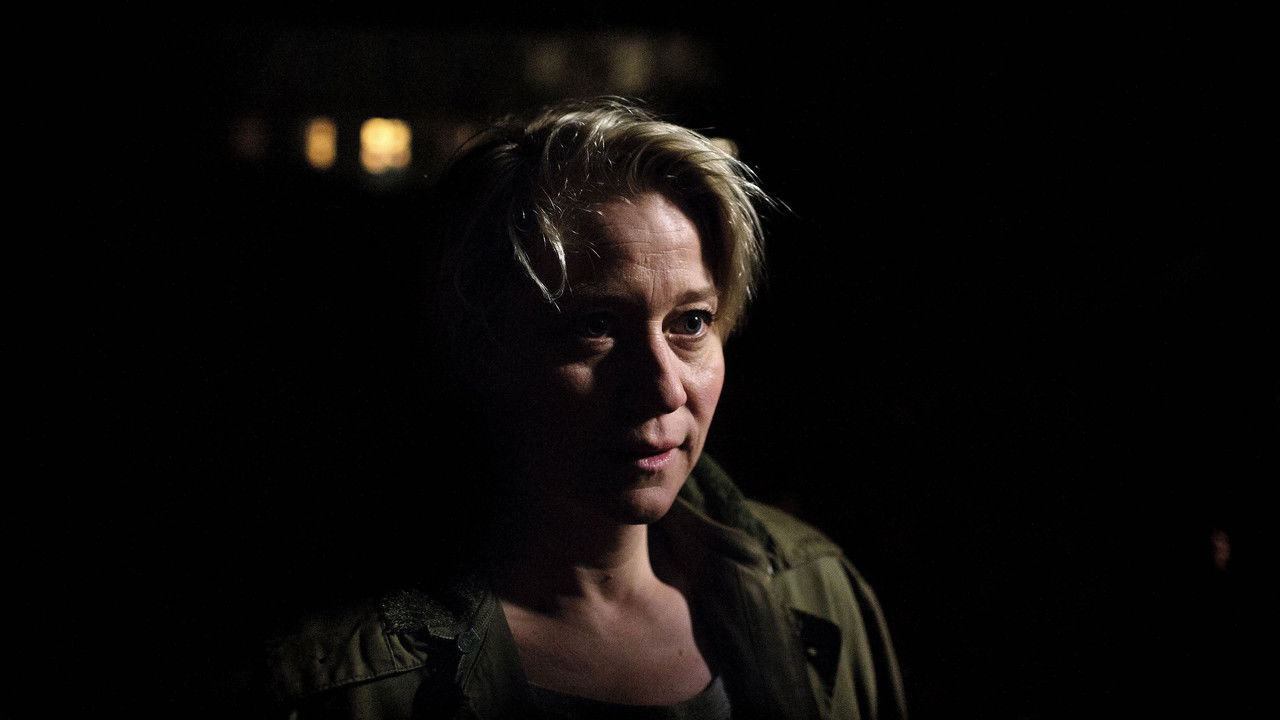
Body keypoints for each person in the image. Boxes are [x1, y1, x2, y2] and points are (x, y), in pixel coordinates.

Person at [264, 98, 906, 719]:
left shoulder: (813, 588)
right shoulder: (343, 679)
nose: (664, 389)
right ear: (480, 346)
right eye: (595, 326)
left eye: (691, 322)